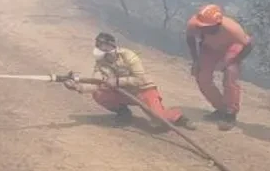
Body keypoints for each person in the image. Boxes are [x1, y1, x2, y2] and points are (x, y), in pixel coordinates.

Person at [64, 32, 196, 130]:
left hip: (143, 90)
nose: (100, 49)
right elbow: (99, 83)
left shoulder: (128, 56)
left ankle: (178, 117)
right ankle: (123, 113)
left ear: (111, 46)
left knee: (159, 119)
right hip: (123, 93)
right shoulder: (100, 63)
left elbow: (139, 79)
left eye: (103, 46)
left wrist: (117, 82)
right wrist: (78, 87)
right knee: (99, 94)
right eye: (98, 46)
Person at [185, 4, 253, 130]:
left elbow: (248, 46)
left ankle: (230, 113)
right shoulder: (194, 24)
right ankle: (221, 109)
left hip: (232, 46)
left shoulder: (232, 29)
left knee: (230, 75)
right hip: (210, 47)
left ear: (217, 24)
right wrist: (196, 60)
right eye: (201, 27)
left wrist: (234, 60)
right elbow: (190, 39)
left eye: (206, 27)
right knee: (202, 76)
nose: (202, 29)